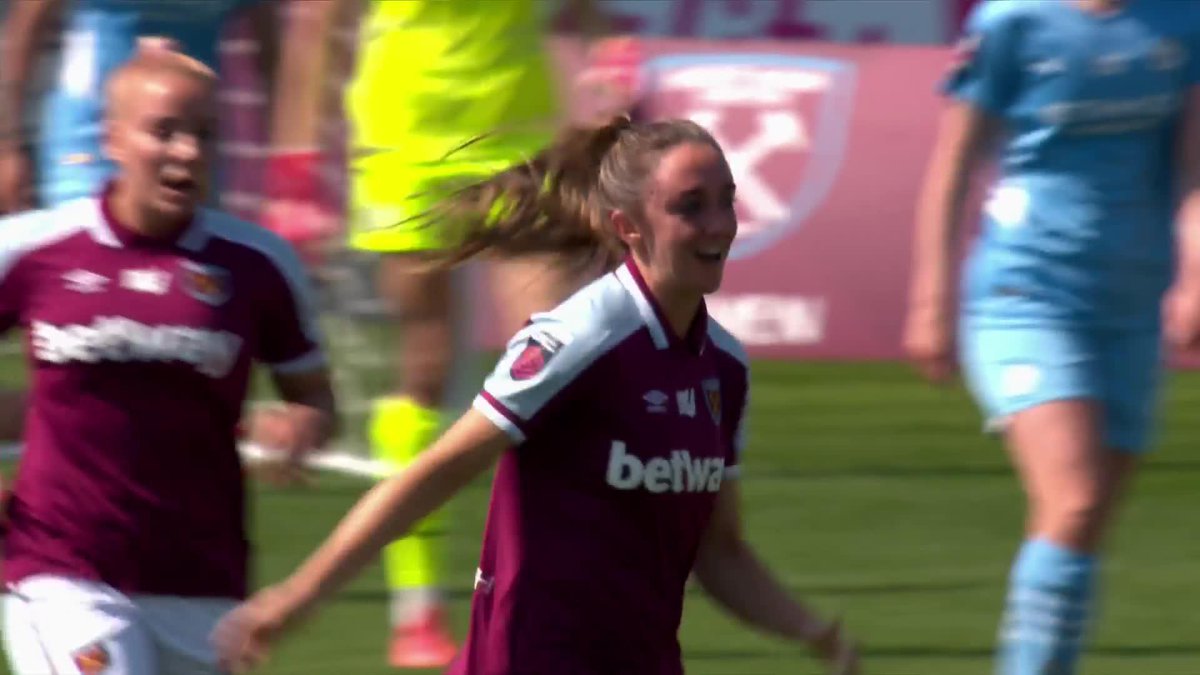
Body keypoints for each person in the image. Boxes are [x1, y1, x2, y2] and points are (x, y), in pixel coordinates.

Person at [211, 116, 861, 675]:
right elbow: (435, 472)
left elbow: (720, 552)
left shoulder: (725, 368)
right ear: (628, 226)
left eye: (727, 200)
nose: (719, 224)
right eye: (690, 205)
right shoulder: (579, 337)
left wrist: (813, 629)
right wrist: (299, 594)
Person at [270, 0, 618, 666]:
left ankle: (556, 586)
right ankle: (417, 607)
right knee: (425, 369)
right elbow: (318, 22)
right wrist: (296, 165)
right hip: (408, 136)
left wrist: (609, 59)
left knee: (559, 357)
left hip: (520, 131)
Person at [0, 48, 336, 675]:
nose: (187, 151)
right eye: (165, 132)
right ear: (112, 138)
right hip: (62, 570)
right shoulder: (32, 249)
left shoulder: (257, 264)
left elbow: (314, 399)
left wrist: (298, 427)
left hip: (202, 580)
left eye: (205, 133)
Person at [904, 0, 1200, 672]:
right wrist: (932, 297)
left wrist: (1195, 271)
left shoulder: (1182, 20)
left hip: (1130, 305)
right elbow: (954, 163)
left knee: (1085, 522)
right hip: (1026, 291)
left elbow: (1191, 166)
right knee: (1075, 497)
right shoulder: (1012, 22)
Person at [0, 0, 281, 213]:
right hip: (89, 140)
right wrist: (8, 146)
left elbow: (275, 62)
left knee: (180, 272)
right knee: (80, 260)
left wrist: (281, 172)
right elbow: (24, 30)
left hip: (190, 145)